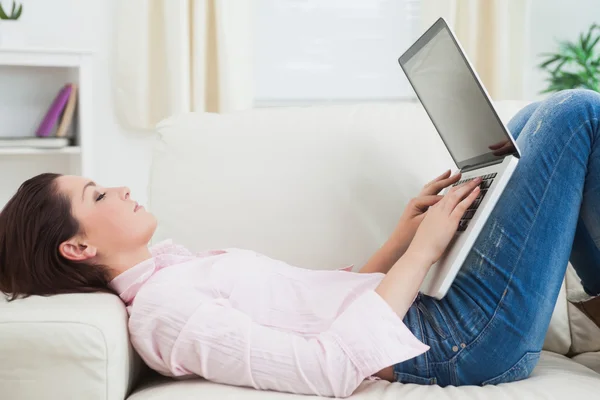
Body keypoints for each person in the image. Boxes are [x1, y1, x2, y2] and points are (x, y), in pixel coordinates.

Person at [1, 89, 600, 398]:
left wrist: (402, 238)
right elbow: (329, 366)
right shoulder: (165, 314)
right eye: (98, 196)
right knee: (576, 113)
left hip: (437, 321)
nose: (120, 188)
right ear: (76, 248)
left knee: (519, 134)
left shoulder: (168, 274)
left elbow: (323, 310)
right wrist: (422, 255)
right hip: (458, 344)